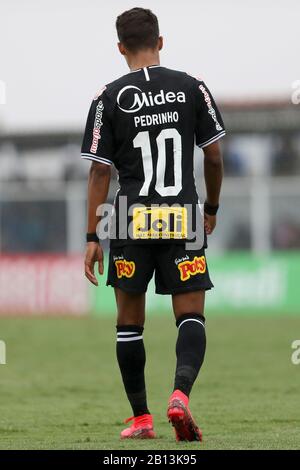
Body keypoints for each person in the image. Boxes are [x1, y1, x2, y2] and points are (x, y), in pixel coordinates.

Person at [81, 7, 225, 442]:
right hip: (182, 215)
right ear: (161, 42)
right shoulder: (192, 88)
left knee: (129, 323)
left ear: (120, 48)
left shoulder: (107, 98)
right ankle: (179, 395)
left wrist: (92, 236)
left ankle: (142, 420)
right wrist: (211, 208)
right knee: (190, 316)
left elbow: (99, 173)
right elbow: (214, 156)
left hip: (127, 219)